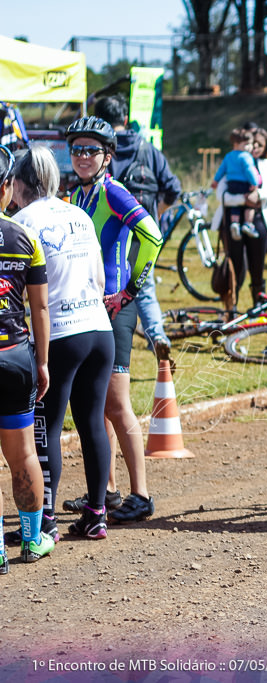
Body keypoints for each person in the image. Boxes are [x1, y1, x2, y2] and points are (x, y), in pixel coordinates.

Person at [11, 146, 115, 541]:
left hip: (59, 334)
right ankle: (97, 514)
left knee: (47, 428)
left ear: (19, 183)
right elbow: (100, 274)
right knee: (92, 423)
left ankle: (47, 521)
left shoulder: (21, 221)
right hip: (98, 329)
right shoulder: (79, 214)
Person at [65, 116, 162, 524]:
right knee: (95, 405)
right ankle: (104, 490)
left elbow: (152, 236)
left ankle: (141, 495)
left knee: (117, 405)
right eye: (77, 150)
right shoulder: (77, 195)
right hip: (89, 309)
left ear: (107, 156)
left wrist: (130, 291)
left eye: (91, 150)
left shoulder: (113, 192)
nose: (83, 156)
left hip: (116, 310)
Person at [0, 144, 54, 572]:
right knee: (23, 457)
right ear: (6, 188)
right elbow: (40, 308)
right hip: (17, 357)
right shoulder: (24, 237)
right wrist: (43, 362)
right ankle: (33, 540)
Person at [94, 95, 180, 362]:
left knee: (111, 285)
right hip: (146, 235)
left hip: (113, 236)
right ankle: (158, 337)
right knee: (144, 285)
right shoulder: (148, 149)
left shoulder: (101, 152)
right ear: (126, 119)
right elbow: (173, 188)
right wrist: (151, 216)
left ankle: (113, 347)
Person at [230, 126, 267, 306]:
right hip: (235, 219)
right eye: (253, 143)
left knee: (257, 266)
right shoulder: (237, 160)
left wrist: (259, 195)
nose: (256, 147)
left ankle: (259, 304)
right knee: (236, 266)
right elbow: (221, 192)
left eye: (260, 144)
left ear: (266, 147)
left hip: (259, 220)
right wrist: (240, 199)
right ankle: (231, 307)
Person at [212, 127, 261, 242]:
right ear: (237, 144)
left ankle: (234, 223)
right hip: (243, 184)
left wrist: (215, 181)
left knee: (235, 205)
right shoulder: (246, 156)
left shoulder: (228, 156)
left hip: (231, 184)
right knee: (250, 205)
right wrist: (255, 184)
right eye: (247, 144)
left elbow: (221, 170)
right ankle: (248, 224)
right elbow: (250, 170)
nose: (249, 147)